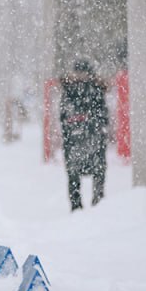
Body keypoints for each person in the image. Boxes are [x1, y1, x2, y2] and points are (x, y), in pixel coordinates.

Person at [59, 59, 108, 210]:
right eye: (78, 72)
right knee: (74, 176)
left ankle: (98, 205)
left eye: (83, 72)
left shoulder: (96, 89)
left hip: (92, 140)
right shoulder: (69, 90)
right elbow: (63, 117)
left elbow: (103, 115)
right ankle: (77, 209)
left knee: (97, 173)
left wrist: (90, 126)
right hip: (76, 141)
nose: (80, 75)